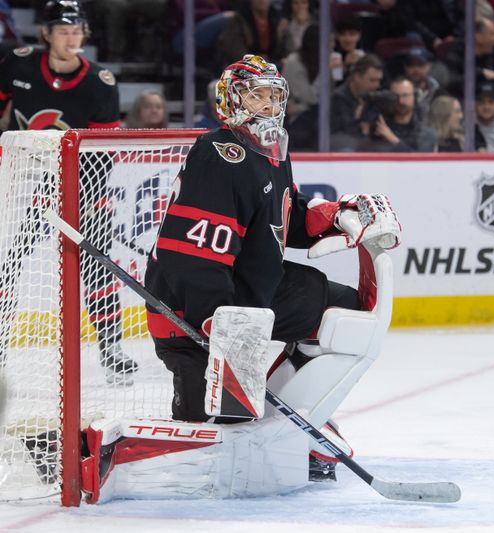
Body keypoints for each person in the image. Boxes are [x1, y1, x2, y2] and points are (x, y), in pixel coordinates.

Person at [143, 54, 401, 485]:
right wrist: (221, 324)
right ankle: (227, 426)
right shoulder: (218, 154)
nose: (266, 104)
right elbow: (191, 254)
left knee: (345, 313)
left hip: (250, 291)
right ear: (230, 100)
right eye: (255, 94)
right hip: (192, 312)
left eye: (273, 95)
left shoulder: (272, 149)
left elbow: (285, 215)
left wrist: (337, 214)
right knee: (206, 453)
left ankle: (298, 422)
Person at [0, 0, 136, 383]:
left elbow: (101, 152)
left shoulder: (99, 83)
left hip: (80, 182)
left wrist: (88, 197)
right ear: (46, 34)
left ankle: (112, 349)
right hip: (22, 178)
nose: (72, 38)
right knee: (7, 262)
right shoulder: (19, 64)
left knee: (96, 267)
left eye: (77, 31)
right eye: (63, 30)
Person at [330, 53, 384, 151]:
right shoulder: (337, 100)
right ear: (357, 77)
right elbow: (341, 138)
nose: (376, 85)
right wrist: (358, 121)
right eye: (372, 80)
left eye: (378, 80)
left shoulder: (375, 97)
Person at [369, 76, 437, 152]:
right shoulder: (379, 128)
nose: (401, 101)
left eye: (405, 95)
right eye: (395, 96)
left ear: (414, 97)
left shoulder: (424, 131)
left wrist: (392, 139)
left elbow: (421, 161)